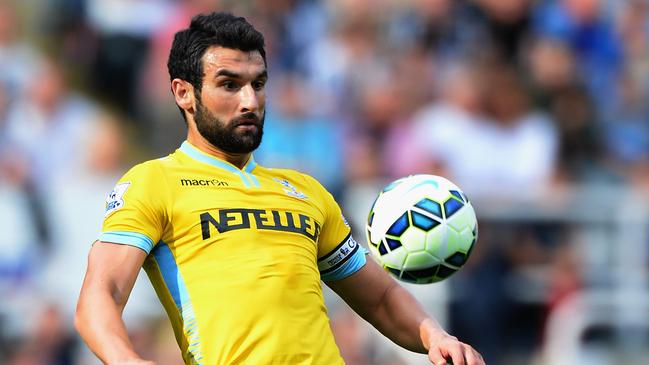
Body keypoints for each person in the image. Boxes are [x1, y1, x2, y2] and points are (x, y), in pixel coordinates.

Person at [74, 12, 485, 365]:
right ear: (185, 93)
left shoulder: (305, 190)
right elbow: (102, 292)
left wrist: (436, 337)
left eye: (259, 83)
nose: (250, 101)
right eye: (230, 85)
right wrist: (125, 359)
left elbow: (378, 299)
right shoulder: (153, 181)